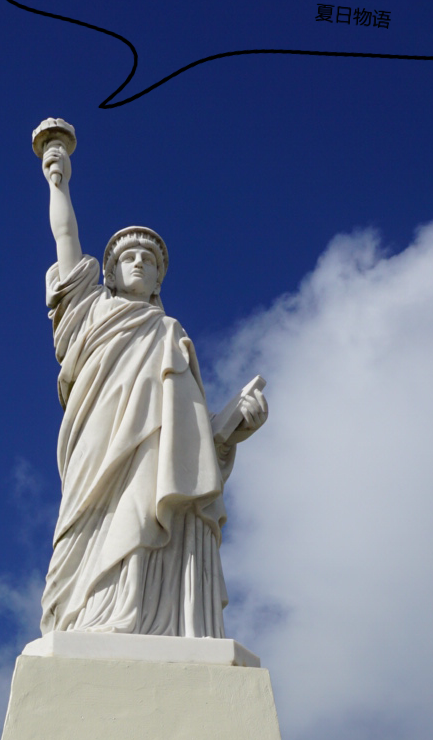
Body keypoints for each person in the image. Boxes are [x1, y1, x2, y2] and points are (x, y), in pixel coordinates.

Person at [37, 132, 268, 638]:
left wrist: (230, 430)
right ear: (112, 274)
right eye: (128, 258)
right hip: (99, 439)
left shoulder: (171, 333)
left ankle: (154, 620)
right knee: (93, 520)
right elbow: (66, 239)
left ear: (160, 280)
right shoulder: (90, 311)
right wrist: (59, 180)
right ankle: (88, 612)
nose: (139, 262)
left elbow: (189, 438)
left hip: (158, 452)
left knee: (156, 504)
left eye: (150, 260)